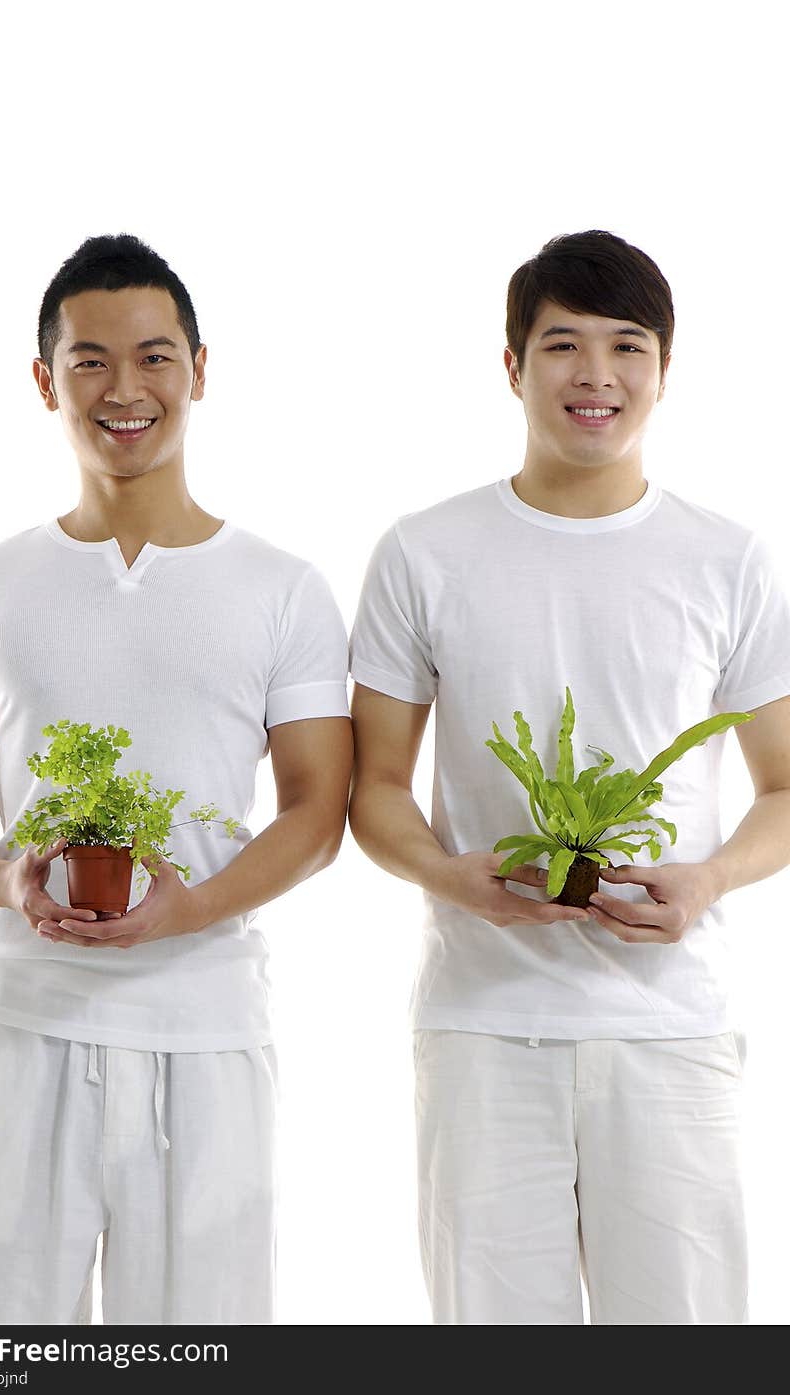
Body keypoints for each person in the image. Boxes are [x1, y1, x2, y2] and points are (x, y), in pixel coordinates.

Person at [348, 229, 790, 1325]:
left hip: (672, 1026)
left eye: (625, 347)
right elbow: (373, 789)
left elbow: (783, 789)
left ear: (663, 370)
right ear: (512, 367)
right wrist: (457, 880)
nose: (595, 376)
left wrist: (712, 879)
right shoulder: (423, 550)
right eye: (562, 346)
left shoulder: (726, 558)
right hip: (483, 1023)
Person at [0, 233, 352, 1325]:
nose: (124, 389)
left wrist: (192, 905)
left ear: (200, 370)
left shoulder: (283, 590)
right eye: (90, 361)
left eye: (155, 358)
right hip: (21, 1024)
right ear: (45, 379)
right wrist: (2, 878)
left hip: (204, 1032)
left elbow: (315, 812)